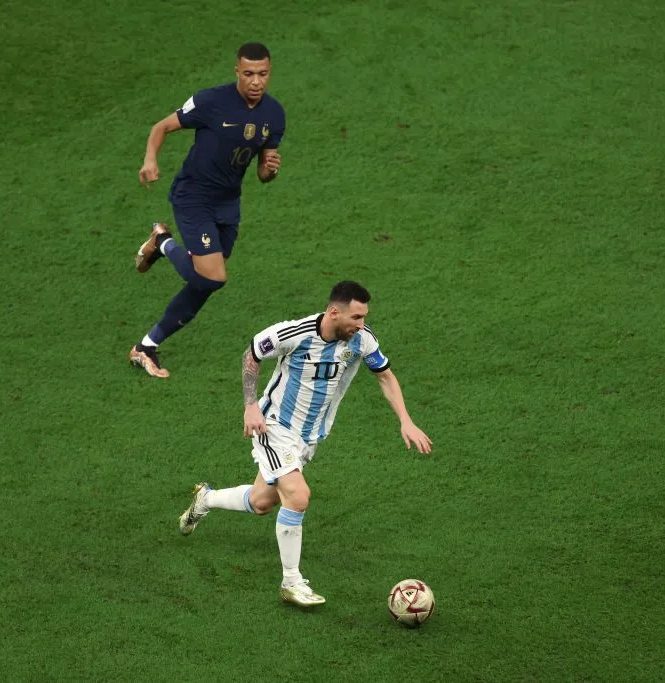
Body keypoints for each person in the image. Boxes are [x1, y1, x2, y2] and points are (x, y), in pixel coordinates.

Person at [177, 281, 433, 607]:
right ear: (334, 312)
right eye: (356, 317)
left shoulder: (361, 341)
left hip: (309, 439)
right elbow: (252, 354)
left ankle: (206, 499)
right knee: (298, 497)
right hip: (274, 427)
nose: (361, 324)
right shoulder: (294, 334)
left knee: (261, 502)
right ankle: (291, 582)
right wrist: (250, 405)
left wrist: (405, 420)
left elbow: (385, 375)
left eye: (364, 317)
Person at [129, 42, 286, 378]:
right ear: (236, 72)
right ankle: (163, 243)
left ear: (269, 73)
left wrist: (270, 169)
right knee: (212, 275)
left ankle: (146, 347)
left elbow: (262, 173)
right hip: (193, 195)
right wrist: (150, 159)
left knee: (206, 284)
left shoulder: (274, 115)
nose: (256, 81)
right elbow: (162, 127)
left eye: (262, 74)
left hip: (228, 203)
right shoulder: (211, 101)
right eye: (248, 74)